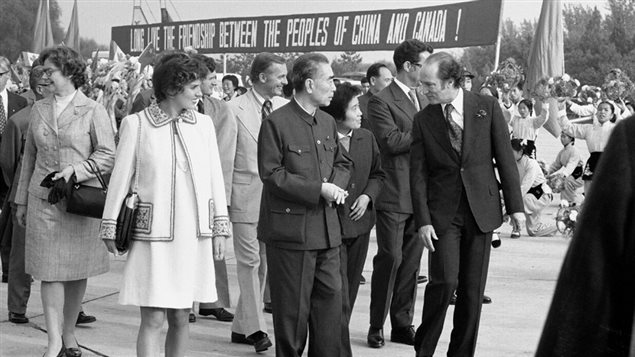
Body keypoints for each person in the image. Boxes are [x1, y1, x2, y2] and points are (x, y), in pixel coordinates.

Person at [100, 54, 230, 357]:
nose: (201, 93)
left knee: (182, 316)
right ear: (173, 88)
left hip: (193, 237)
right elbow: (120, 179)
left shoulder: (204, 125)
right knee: (154, 318)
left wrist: (220, 228)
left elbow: (215, 179)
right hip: (152, 238)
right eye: (194, 87)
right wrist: (109, 225)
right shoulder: (137, 125)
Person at [411, 52, 524, 357]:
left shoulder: (485, 108)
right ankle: (424, 349)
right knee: (444, 283)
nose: (424, 90)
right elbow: (418, 175)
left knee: (472, 293)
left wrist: (516, 207)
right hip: (442, 215)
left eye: (429, 84)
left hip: (480, 212)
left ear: (451, 82)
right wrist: (423, 220)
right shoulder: (424, 119)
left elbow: (505, 159)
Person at [14, 46, 116, 357]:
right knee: (49, 271)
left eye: (51, 71)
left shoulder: (93, 110)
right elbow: (28, 157)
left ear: (70, 72)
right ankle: (54, 340)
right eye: (42, 71)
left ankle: (69, 333)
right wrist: (21, 201)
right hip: (44, 200)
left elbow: (107, 155)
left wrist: (77, 169)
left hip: (80, 202)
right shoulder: (39, 109)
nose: (44, 76)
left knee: (75, 271)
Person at [257, 52, 352, 357]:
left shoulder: (325, 121)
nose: (334, 87)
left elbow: (342, 161)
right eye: (329, 79)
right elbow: (272, 174)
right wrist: (318, 189)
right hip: (292, 235)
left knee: (331, 311)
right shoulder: (277, 122)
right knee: (292, 316)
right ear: (310, 84)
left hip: (328, 233)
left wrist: (335, 184)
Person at [536, 115, 635, 356]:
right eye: (598, 109)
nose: (600, 113)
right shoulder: (629, 139)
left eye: (605, 109)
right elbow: (595, 264)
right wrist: (557, 102)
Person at [366, 39, 432, 349]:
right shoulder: (382, 100)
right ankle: (376, 324)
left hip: (421, 196)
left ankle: (402, 324)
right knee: (390, 259)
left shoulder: (426, 97)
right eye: (424, 65)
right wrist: (428, 134)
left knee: (411, 265)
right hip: (393, 193)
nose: (429, 71)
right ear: (408, 66)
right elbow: (391, 141)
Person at [227, 52, 288, 353]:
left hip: (275, 201)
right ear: (263, 77)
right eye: (280, 76)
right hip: (243, 198)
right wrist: (221, 206)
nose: (285, 82)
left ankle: (241, 325)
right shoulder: (231, 109)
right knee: (249, 262)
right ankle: (256, 329)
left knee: (264, 264)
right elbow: (224, 160)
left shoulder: (284, 108)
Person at [322, 82, 385, 357]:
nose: (360, 113)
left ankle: (338, 342)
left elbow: (378, 174)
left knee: (349, 289)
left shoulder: (365, 137)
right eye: (354, 108)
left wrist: (368, 197)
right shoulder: (323, 138)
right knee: (334, 293)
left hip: (359, 224)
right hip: (331, 225)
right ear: (338, 114)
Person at [0, 66, 50, 324]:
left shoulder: (66, 117)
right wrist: (19, 189)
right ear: (41, 88)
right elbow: (8, 163)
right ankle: (17, 307)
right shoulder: (20, 121)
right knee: (20, 255)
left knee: (63, 253)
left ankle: (72, 307)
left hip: (56, 196)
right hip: (25, 196)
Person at [191, 54, 236, 324]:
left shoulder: (219, 109)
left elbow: (225, 153)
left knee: (215, 244)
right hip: (181, 187)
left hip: (211, 184)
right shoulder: (162, 105)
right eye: (209, 79)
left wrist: (222, 194)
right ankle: (183, 302)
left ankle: (212, 301)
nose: (214, 82)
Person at [0, 56, 28, 281]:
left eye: (0, 74)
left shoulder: (20, 103)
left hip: (9, 175)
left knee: (9, 225)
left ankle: (8, 270)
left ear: (8, 76)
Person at [557, 100, 619, 195]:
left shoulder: (616, 128)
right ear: (596, 113)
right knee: (589, 191)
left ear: (611, 115)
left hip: (609, 162)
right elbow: (567, 128)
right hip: (593, 161)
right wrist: (561, 109)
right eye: (600, 109)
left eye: (606, 110)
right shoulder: (589, 128)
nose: (602, 112)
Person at [511, 139, 557, 238]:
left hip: (542, 195)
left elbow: (524, 187)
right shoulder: (513, 163)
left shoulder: (531, 164)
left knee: (520, 201)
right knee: (533, 231)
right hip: (530, 195)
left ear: (520, 151)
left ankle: (516, 228)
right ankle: (558, 225)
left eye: (511, 151)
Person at [546, 132, 584, 206]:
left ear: (571, 139)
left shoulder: (574, 151)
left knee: (566, 180)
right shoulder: (562, 152)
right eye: (561, 136)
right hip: (570, 174)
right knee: (552, 180)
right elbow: (556, 164)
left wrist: (563, 175)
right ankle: (565, 200)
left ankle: (570, 201)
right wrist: (548, 172)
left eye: (564, 137)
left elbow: (571, 164)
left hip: (579, 176)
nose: (562, 139)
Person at [358, 63, 393, 130]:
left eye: (391, 80)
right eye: (387, 80)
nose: (391, 85)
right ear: (373, 81)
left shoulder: (394, 103)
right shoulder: (359, 104)